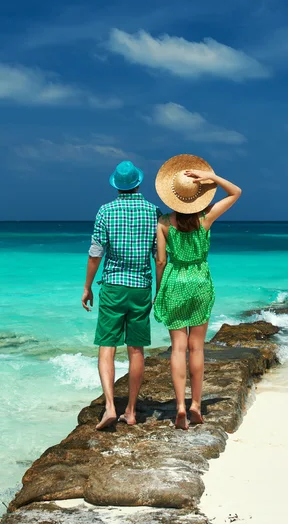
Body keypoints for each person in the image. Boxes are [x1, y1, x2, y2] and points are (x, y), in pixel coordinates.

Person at [153, 154, 241, 430]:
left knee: (178, 348)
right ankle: (195, 405)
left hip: (175, 282)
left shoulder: (164, 223)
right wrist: (212, 178)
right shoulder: (206, 218)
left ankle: (179, 406)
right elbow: (236, 192)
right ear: (199, 196)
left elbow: (160, 261)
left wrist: (159, 291)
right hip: (200, 282)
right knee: (197, 348)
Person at [82, 160, 161, 430]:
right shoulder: (153, 212)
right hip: (141, 287)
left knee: (107, 347)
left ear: (116, 185)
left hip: (113, 286)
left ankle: (110, 406)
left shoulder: (105, 211)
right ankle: (130, 410)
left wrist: (87, 286)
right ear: (138, 183)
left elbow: (96, 252)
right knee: (136, 350)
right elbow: (159, 256)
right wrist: (160, 288)